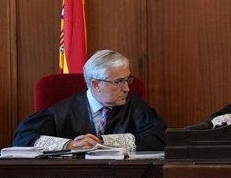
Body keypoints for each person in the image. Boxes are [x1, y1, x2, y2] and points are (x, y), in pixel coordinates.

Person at [12, 49, 166, 153]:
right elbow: (22, 137)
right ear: (96, 84)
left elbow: (159, 137)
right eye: (118, 82)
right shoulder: (63, 112)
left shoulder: (135, 106)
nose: (126, 88)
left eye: (127, 80)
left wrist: (103, 143)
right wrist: (70, 145)